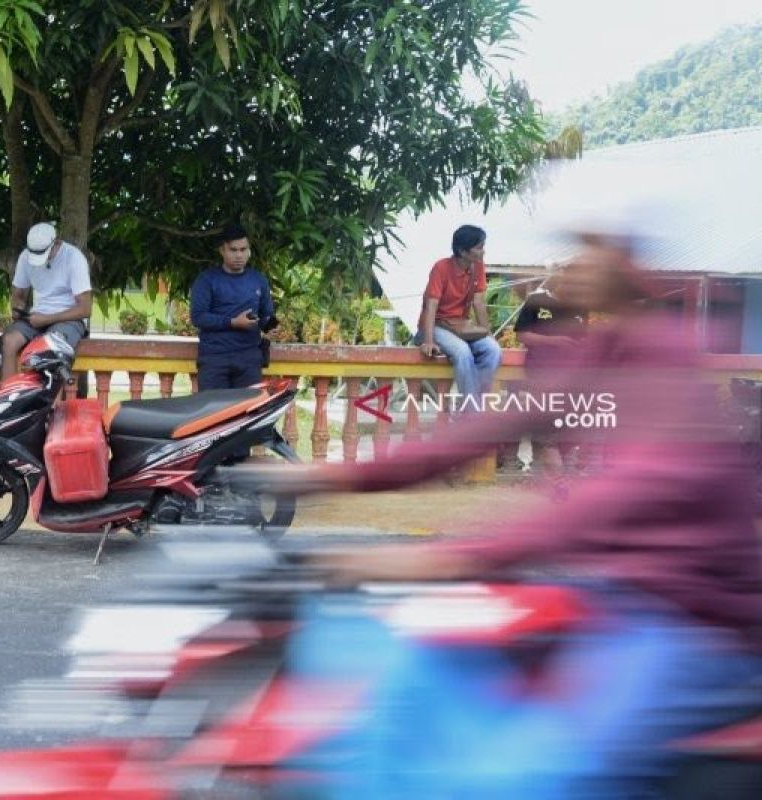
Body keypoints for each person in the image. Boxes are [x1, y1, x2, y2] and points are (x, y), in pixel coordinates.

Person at [262, 232, 762, 797]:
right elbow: (488, 429)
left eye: (588, 245)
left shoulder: (664, 358)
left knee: (532, 774)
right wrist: (334, 475)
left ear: (625, 261)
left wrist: (448, 560)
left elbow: (622, 494)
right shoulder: (600, 352)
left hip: (685, 619)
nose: (570, 261)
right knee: (417, 661)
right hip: (608, 590)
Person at [514, 280, 589, 491]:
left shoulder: (581, 306)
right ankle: (559, 484)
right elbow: (522, 335)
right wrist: (554, 341)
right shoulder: (537, 301)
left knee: (568, 433)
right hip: (541, 376)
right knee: (549, 437)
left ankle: (557, 480)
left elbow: (584, 341)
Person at [417, 225, 501, 406]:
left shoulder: (477, 266)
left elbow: (479, 303)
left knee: (493, 350)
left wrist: (487, 333)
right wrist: (429, 341)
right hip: (436, 325)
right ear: (463, 251)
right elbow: (431, 306)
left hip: (460, 326)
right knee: (463, 352)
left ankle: (470, 406)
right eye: (479, 247)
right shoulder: (441, 267)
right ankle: (472, 415)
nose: (483, 252)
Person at [189, 223, 276, 390]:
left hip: (249, 358)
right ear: (222, 250)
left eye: (243, 250)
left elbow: (267, 315)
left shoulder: (258, 280)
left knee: (248, 414)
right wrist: (232, 322)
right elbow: (198, 316)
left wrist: (271, 326)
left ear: (249, 251)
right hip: (214, 359)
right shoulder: (207, 280)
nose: (239, 255)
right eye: (233, 250)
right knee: (214, 413)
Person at [1, 222, 91, 381]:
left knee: (50, 348)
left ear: (56, 242)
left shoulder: (74, 258)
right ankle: (10, 397)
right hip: (36, 317)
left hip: (68, 319)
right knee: (8, 341)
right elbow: (17, 293)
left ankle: (50, 405)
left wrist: (47, 319)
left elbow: (85, 309)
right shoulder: (25, 257)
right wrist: (18, 306)